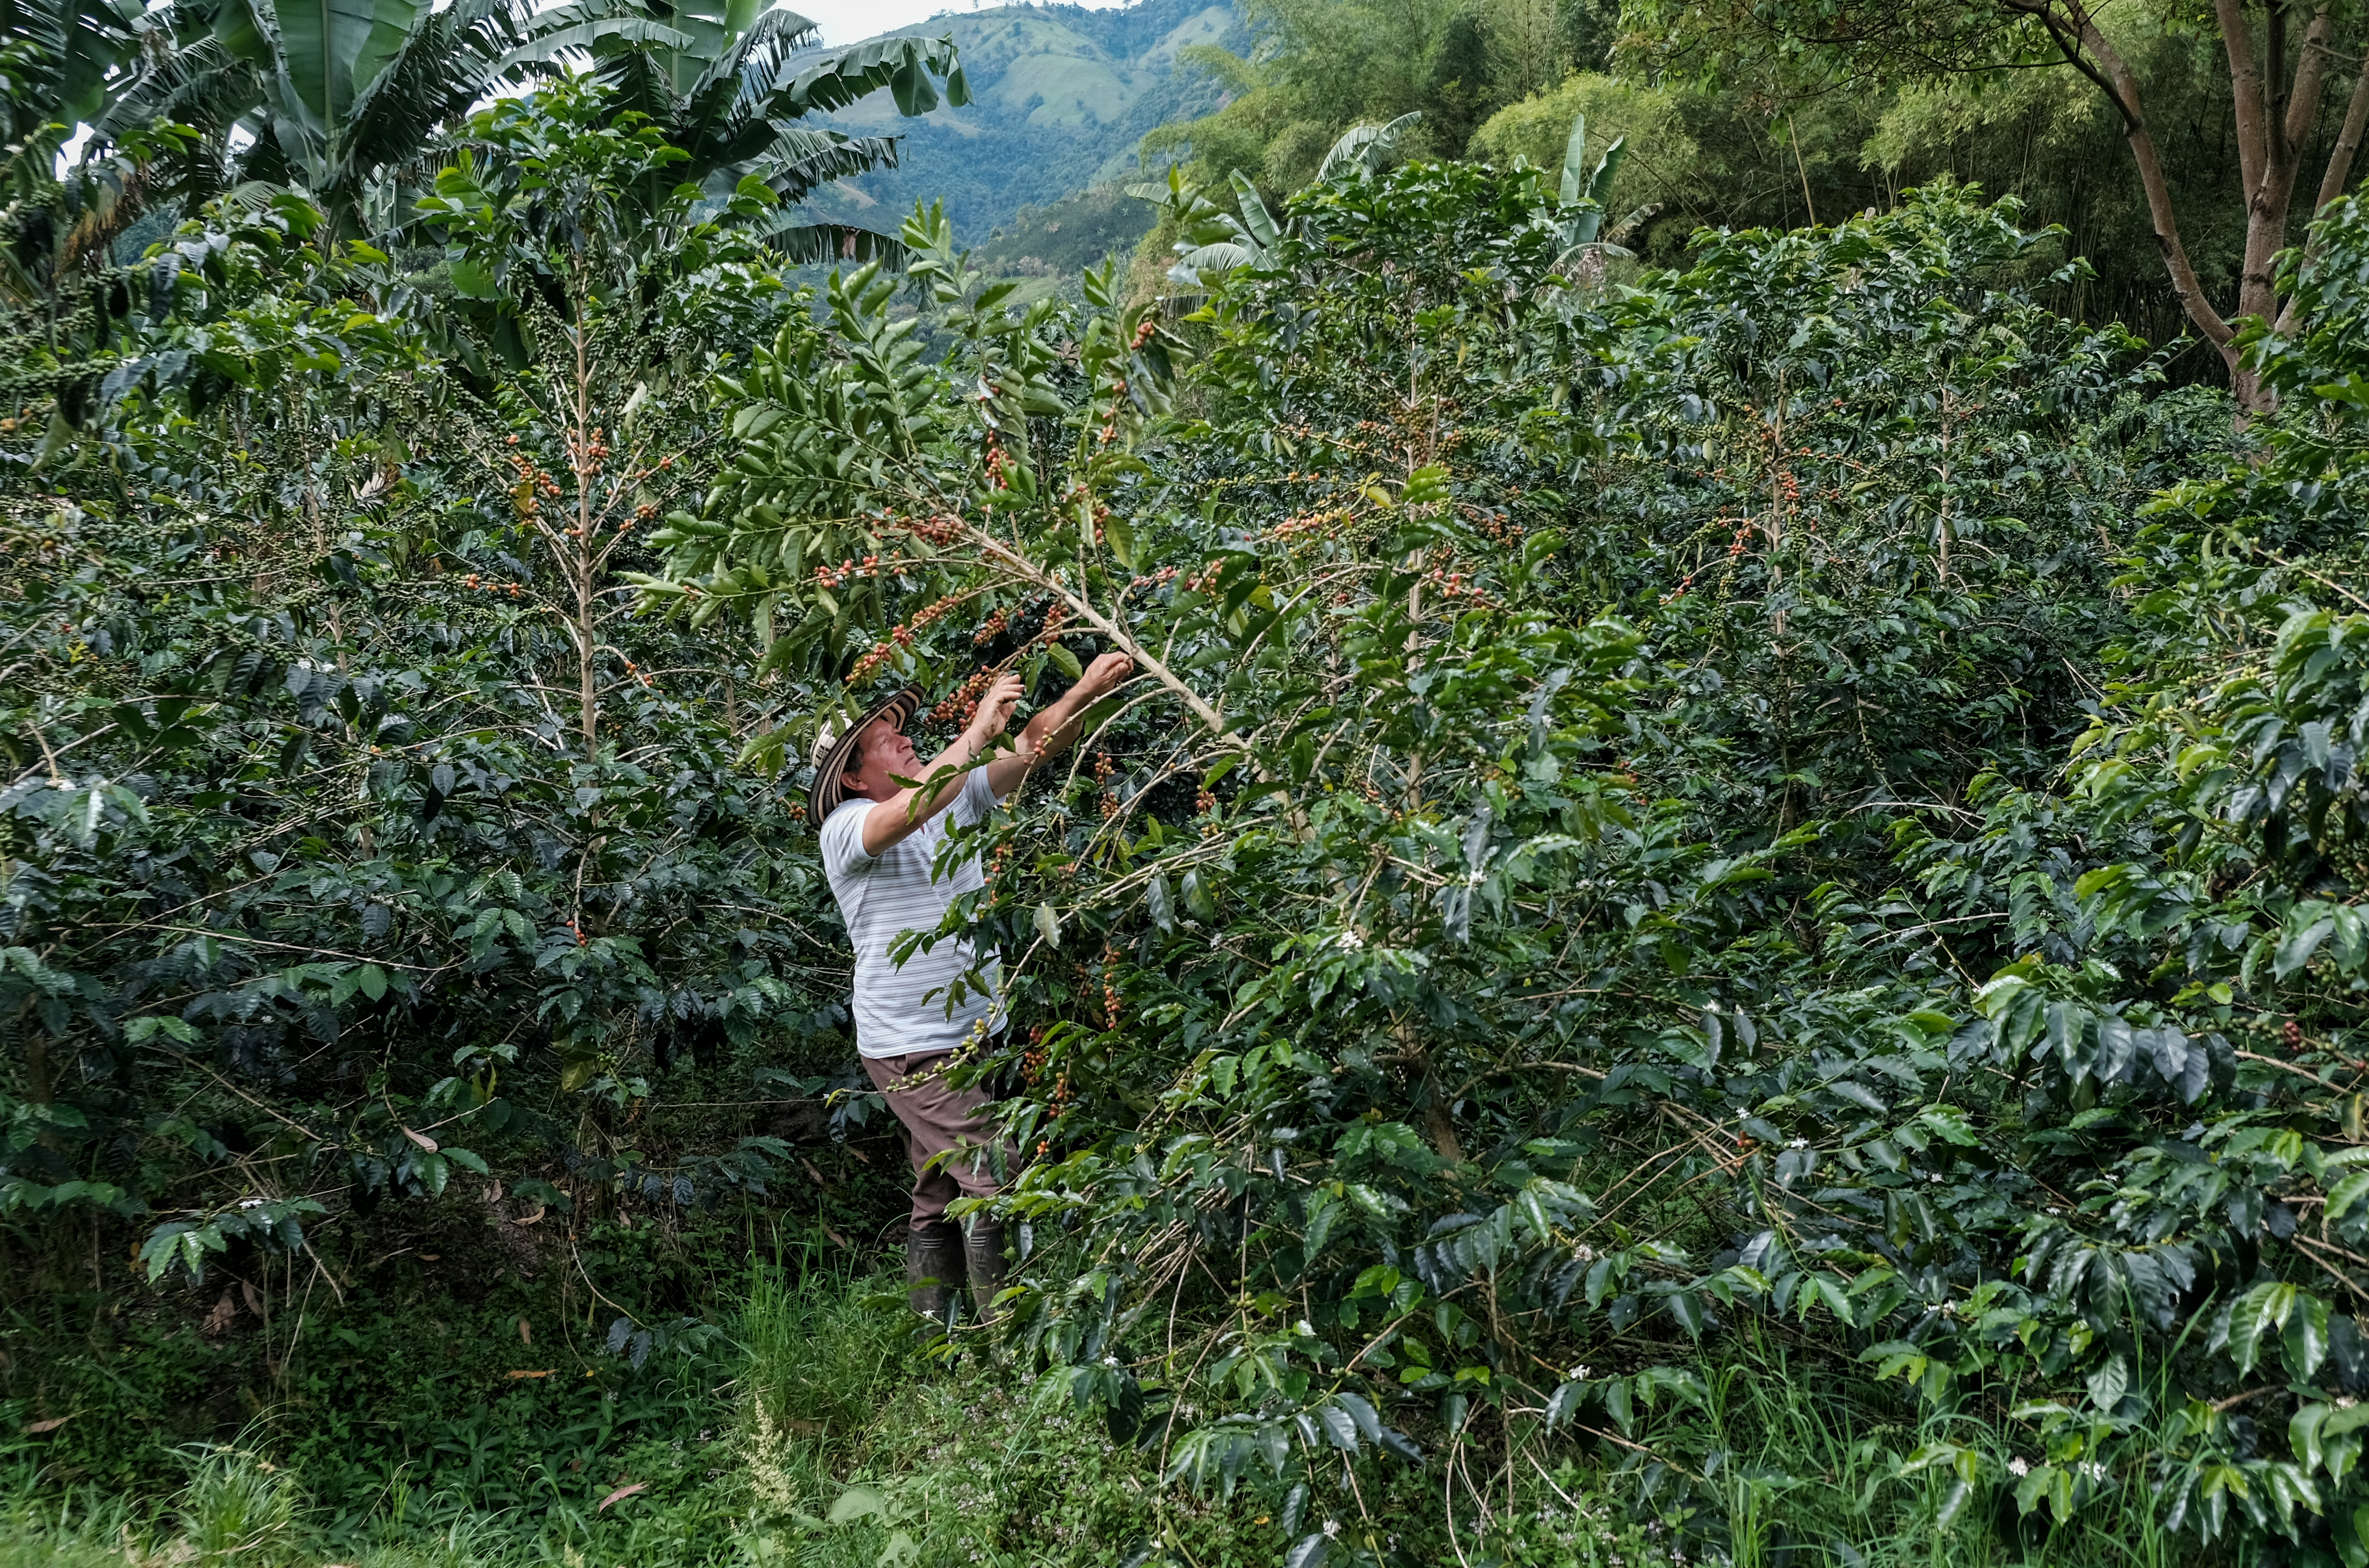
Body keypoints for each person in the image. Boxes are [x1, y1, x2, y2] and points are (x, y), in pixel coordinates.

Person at [807, 651, 1134, 1324]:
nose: (903, 737)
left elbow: (1030, 752)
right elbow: (906, 812)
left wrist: (1084, 690)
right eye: (882, 739)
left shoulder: (948, 793)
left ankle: (939, 1332)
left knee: (938, 1186)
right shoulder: (846, 829)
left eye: (900, 730)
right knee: (991, 1170)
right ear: (852, 774)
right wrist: (976, 731)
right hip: (912, 1043)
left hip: (971, 1032)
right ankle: (1010, 1340)